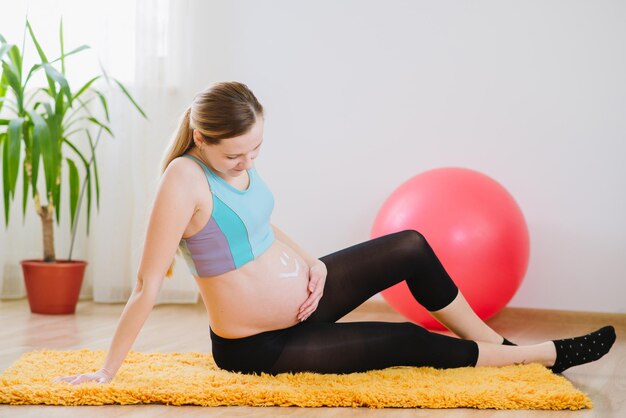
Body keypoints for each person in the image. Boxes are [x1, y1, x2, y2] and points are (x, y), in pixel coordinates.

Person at [53, 81, 616, 385]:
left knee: (411, 245)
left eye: (256, 149)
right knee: (403, 343)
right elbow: (145, 285)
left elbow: (259, 221)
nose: (246, 161)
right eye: (234, 154)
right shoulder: (182, 180)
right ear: (200, 137)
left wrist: (312, 264)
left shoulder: (232, 164)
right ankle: (543, 356)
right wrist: (107, 370)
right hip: (261, 343)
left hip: (307, 296)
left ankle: (498, 348)